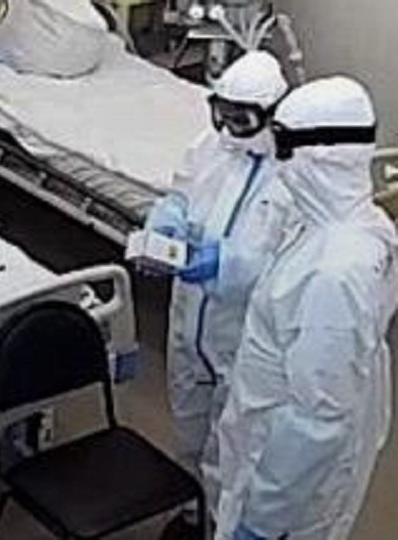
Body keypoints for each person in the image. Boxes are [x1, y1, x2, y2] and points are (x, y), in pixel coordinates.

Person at [215, 76, 398, 540]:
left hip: (284, 488)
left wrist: (262, 521)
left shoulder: (334, 274)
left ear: (319, 155)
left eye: (280, 142)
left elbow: (317, 421)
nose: (273, 156)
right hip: (275, 450)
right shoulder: (349, 224)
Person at [136, 50, 293, 539]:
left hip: (240, 330)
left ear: (271, 115)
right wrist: (166, 221)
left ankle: (222, 524)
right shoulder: (211, 146)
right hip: (190, 314)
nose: (227, 128)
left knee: (233, 441)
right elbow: (181, 193)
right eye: (219, 113)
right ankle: (192, 512)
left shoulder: (294, 175)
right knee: (187, 420)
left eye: (239, 119)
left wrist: (225, 264)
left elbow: (287, 265)